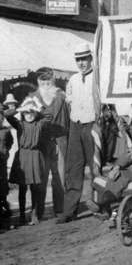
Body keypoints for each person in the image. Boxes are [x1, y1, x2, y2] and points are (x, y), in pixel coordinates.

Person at [57, 43, 98, 224]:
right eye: (78, 60)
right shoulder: (72, 80)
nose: (81, 63)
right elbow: (69, 102)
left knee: (96, 167)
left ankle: (100, 206)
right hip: (76, 125)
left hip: (93, 125)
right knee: (73, 168)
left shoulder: (98, 77)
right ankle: (69, 211)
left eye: (84, 59)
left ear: (91, 59)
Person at [6, 98, 54, 225]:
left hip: (35, 156)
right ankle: (22, 216)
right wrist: (21, 108)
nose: (29, 115)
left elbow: (49, 115)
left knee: (35, 188)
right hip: (22, 156)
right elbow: (7, 115)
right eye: (27, 113)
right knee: (22, 188)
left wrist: (37, 105)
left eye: (32, 112)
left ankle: (34, 215)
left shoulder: (39, 124)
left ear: (36, 113)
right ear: (23, 114)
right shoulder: (20, 124)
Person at [30, 67, 70, 217]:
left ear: (52, 80)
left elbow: (70, 119)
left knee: (59, 177)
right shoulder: (32, 98)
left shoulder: (62, 96)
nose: (46, 83)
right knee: (40, 178)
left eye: (49, 80)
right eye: (43, 80)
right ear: (38, 81)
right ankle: (37, 212)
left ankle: (59, 209)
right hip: (41, 145)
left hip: (60, 142)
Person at [0, 104, 13, 227]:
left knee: (3, 184)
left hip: (2, 161)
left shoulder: (6, 131)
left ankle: (4, 205)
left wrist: (6, 152)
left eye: (1, 115)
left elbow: (10, 143)